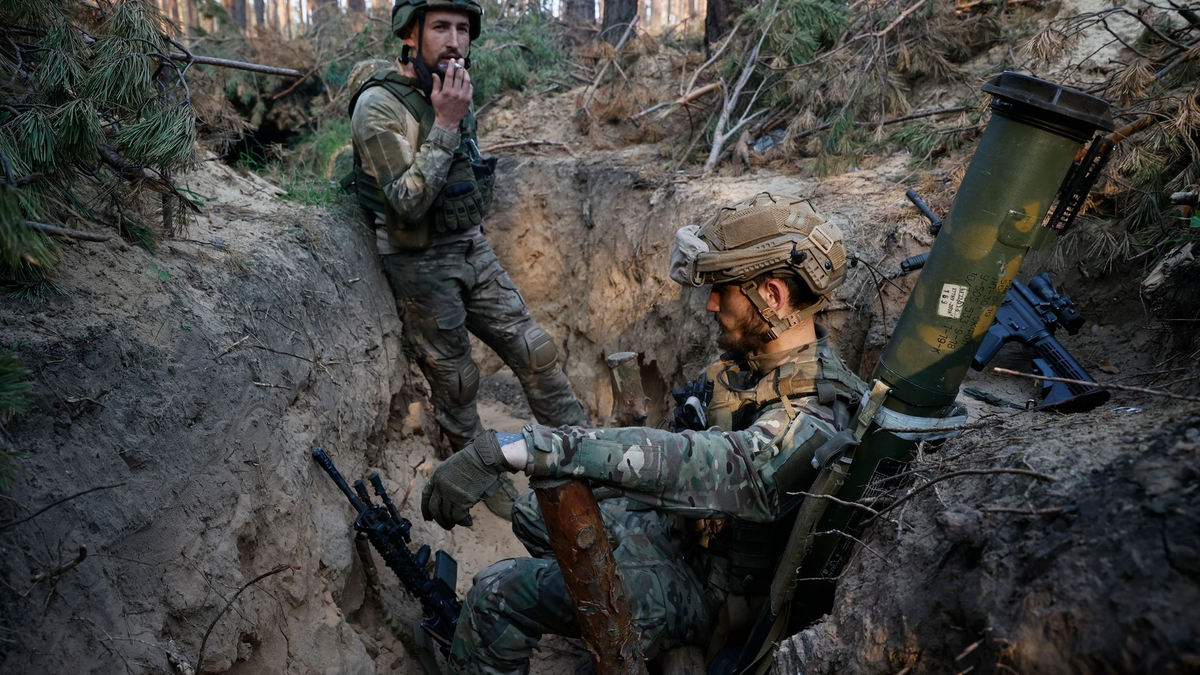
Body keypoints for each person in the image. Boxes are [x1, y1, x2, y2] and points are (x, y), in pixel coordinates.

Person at [421, 193, 869, 674]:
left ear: (773, 296)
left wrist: (522, 448)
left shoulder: (814, 416)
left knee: (495, 592)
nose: (711, 304)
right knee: (533, 513)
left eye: (722, 289)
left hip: (711, 599)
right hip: (685, 543)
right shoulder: (755, 369)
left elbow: (696, 462)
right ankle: (601, 616)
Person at [346, 0, 589, 519]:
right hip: (417, 262)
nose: (455, 41)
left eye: (462, 28)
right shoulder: (379, 106)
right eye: (440, 27)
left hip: (469, 246)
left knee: (536, 351)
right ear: (410, 35)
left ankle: (588, 455)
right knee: (456, 384)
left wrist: (451, 118)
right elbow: (407, 201)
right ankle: (489, 490)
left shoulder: (450, 89)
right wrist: (446, 122)